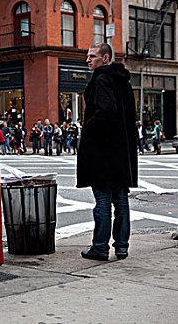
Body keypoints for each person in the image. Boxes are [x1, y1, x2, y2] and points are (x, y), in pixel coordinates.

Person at [77, 42, 137, 261]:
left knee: (102, 200)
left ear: (105, 58)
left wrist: (88, 129)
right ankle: (122, 246)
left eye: (92, 56)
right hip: (121, 152)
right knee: (120, 200)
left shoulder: (101, 79)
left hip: (103, 151)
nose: (88, 60)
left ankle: (100, 247)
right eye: (88, 56)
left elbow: (106, 110)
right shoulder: (123, 82)